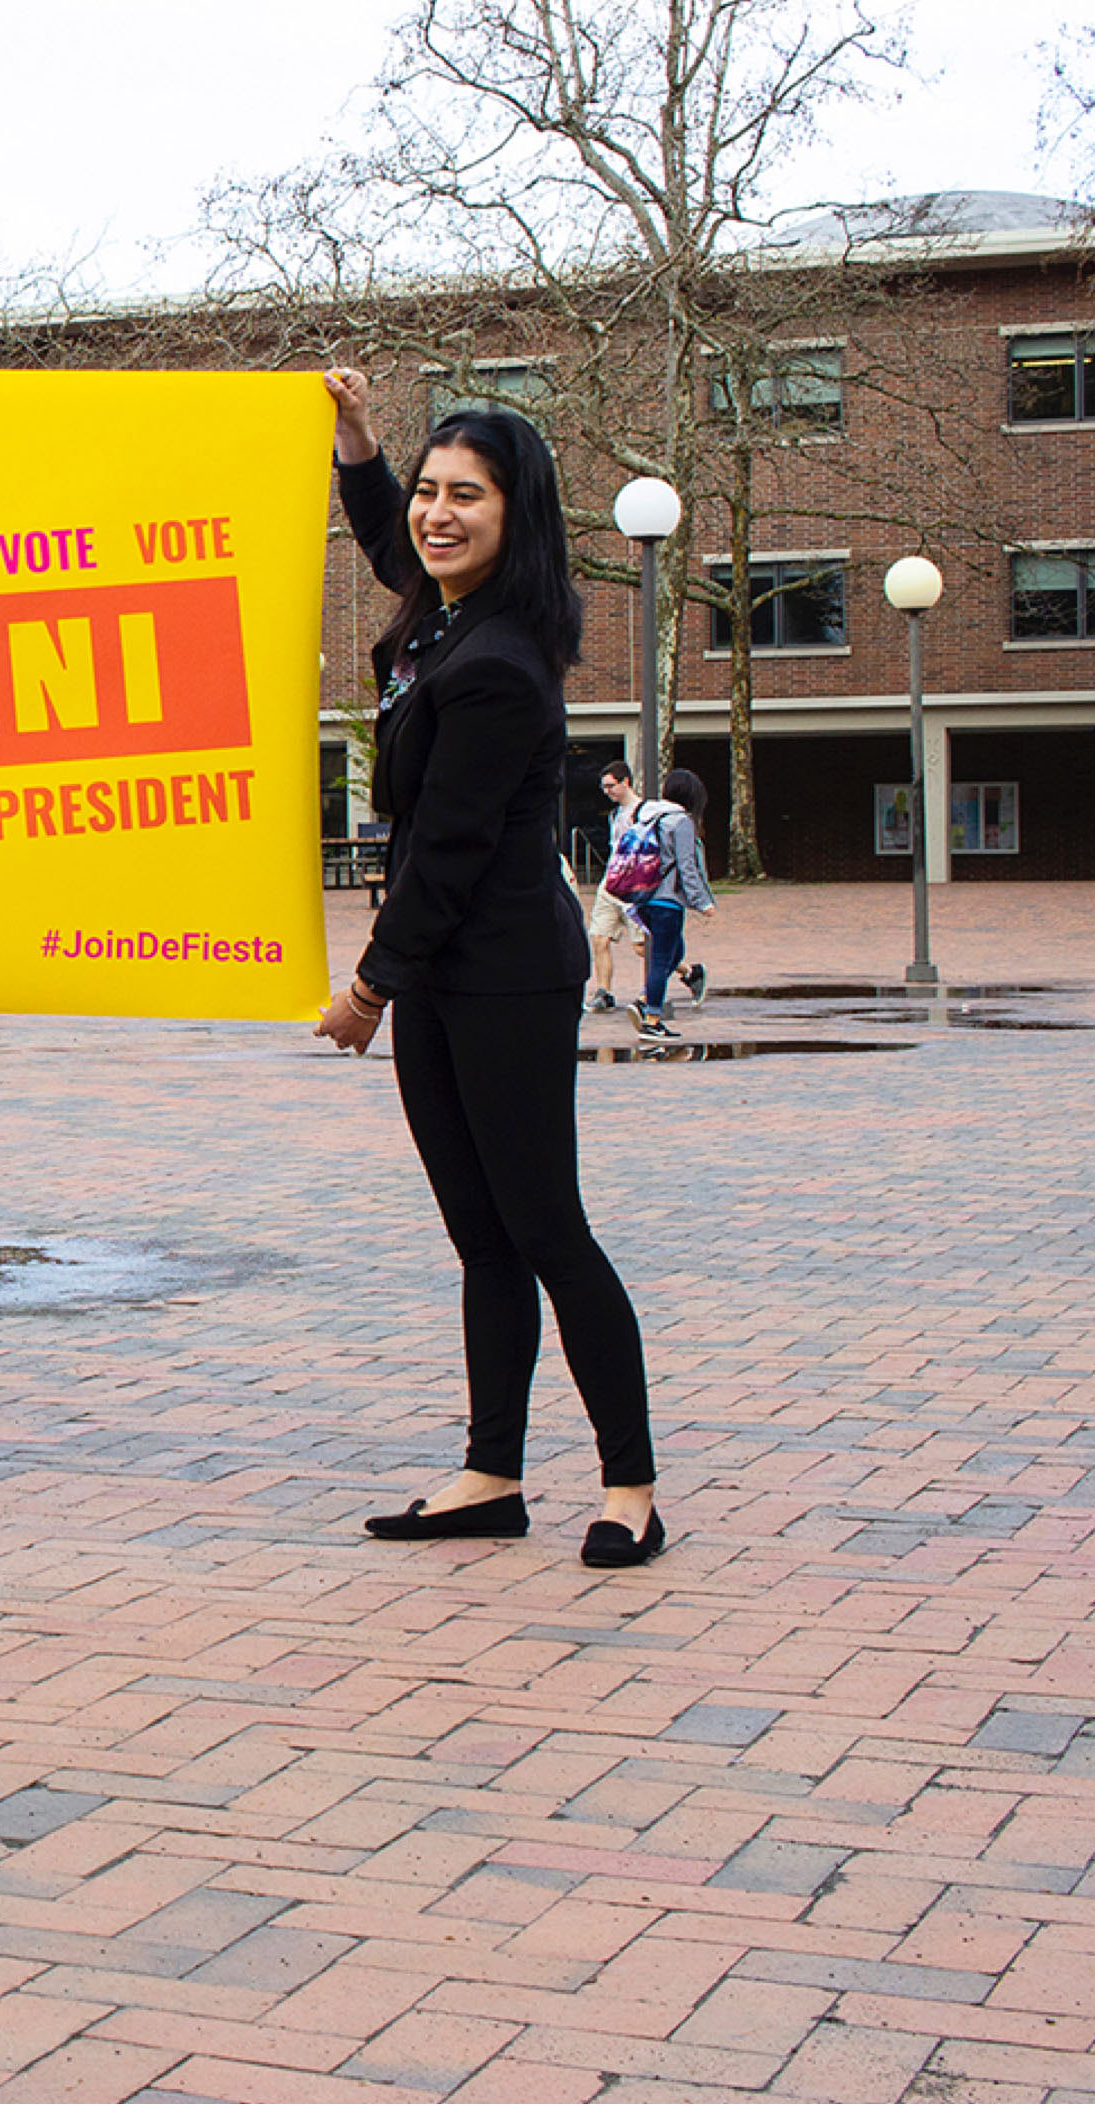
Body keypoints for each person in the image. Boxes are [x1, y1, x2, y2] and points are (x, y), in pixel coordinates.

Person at [311, 368, 668, 1570]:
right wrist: (361, 449)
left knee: (547, 1228)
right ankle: (492, 1474)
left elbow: (451, 851)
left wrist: (368, 989)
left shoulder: (503, 663)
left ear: (518, 517)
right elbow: (382, 541)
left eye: (468, 495)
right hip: (452, 979)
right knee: (480, 1236)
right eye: (428, 491)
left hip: (506, 972)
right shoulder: (442, 615)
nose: (435, 512)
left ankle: (631, 1488)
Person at [632, 768, 718, 1038]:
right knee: (661, 959)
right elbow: (687, 866)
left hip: (644, 897)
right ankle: (652, 1018)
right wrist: (703, 902)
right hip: (667, 900)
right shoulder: (680, 822)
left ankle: (646, 1001)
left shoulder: (648, 816)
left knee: (675, 953)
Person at [583, 762, 655, 1012]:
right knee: (599, 937)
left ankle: (687, 972)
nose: (607, 791)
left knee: (641, 946)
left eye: (611, 786)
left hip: (633, 887)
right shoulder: (615, 815)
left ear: (625, 782)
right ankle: (604, 991)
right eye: (604, 787)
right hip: (611, 883)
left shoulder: (643, 812)